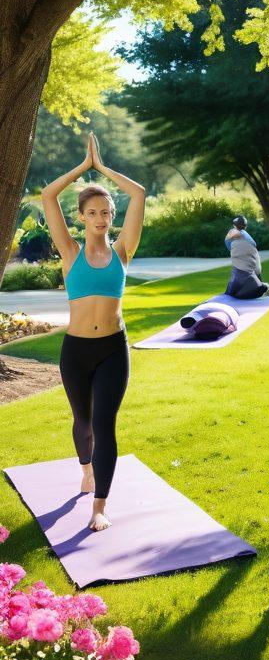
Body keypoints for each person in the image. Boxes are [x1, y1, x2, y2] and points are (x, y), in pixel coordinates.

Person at [41, 133, 146, 532]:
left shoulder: (122, 251)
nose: (102, 218)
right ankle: (85, 467)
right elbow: (48, 197)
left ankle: (99, 504)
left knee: (104, 424)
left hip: (113, 350)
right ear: (82, 217)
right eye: (93, 213)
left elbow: (138, 194)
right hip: (76, 352)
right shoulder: (70, 252)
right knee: (82, 422)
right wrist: (81, 169)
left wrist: (101, 168)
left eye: (106, 212)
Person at [224, 216, 269, 299]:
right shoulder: (240, 235)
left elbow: (236, 234)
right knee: (254, 274)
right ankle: (264, 287)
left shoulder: (241, 234)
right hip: (244, 267)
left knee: (255, 276)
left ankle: (264, 287)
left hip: (246, 265)